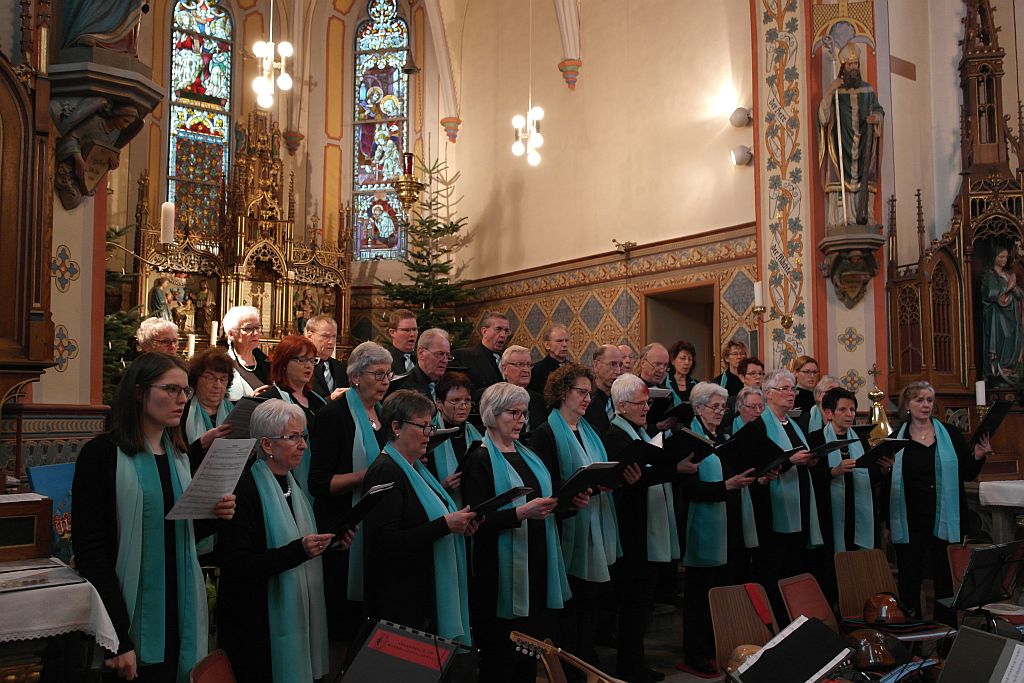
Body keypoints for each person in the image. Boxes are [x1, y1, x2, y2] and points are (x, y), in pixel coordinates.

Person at [73, 352, 236, 682]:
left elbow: (180, 531)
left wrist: (215, 515)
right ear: (138, 392)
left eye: (185, 391)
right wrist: (118, 638)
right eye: (171, 390)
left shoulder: (179, 456)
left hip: (179, 607)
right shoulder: (102, 455)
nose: (181, 400)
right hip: (127, 615)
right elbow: (91, 552)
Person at [217, 399, 348, 683]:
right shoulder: (243, 489)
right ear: (266, 444)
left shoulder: (290, 483)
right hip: (256, 624)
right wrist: (299, 551)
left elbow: (300, 542)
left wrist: (332, 542)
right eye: (293, 437)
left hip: (287, 614)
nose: (303, 445)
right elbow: (239, 565)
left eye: (303, 436)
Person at [460, 382, 576, 683]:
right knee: (500, 659)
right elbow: (476, 520)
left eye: (524, 413)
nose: (521, 420)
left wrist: (569, 502)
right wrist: (522, 513)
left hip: (536, 565)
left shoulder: (527, 453)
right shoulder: (479, 459)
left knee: (529, 654)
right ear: (492, 415)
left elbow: (544, 497)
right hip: (498, 572)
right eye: (513, 413)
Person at [601, 373, 698, 683]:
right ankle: (629, 667)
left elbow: (646, 470)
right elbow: (630, 479)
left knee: (641, 602)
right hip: (631, 531)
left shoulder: (638, 432)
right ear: (621, 405)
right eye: (639, 404)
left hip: (644, 526)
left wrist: (671, 466)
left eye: (647, 402)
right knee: (633, 603)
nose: (646, 409)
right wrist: (673, 468)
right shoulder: (615, 436)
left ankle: (635, 663)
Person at [361, 390, 476, 646]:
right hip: (400, 598)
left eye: (431, 426)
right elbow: (384, 542)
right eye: (423, 426)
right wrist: (445, 525)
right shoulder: (385, 471)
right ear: (396, 427)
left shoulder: (416, 466)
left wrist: (457, 524)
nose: (429, 434)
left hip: (421, 590)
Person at [528, 365, 618, 669]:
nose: (587, 399)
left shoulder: (588, 430)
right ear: (563, 393)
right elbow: (542, 483)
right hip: (567, 525)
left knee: (591, 597)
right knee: (572, 601)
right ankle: (569, 664)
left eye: (589, 393)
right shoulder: (545, 433)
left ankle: (586, 656)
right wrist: (569, 498)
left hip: (594, 520)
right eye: (581, 392)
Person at [307, 341, 391, 663]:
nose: (385, 380)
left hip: (376, 527)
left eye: (388, 374)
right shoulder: (333, 416)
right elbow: (319, 483)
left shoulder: (384, 414)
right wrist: (367, 475)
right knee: (344, 624)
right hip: (343, 530)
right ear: (355, 376)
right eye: (378, 374)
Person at [884, 381, 990, 625]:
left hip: (945, 517)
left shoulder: (950, 434)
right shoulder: (895, 438)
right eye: (919, 400)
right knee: (910, 578)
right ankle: (912, 635)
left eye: (929, 400)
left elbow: (966, 473)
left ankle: (946, 634)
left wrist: (977, 456)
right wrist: (885, 522)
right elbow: (888, 486)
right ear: (907, 405)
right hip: (910, 518)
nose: (925, 405)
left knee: (946, 579)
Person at [679, 382, 756, 678]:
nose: (720, 413)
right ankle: (695, 653)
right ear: (697, 409)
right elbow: (688, 487)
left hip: (729, 523)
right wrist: (726, 486)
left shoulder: (723, 438)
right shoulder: (688, 441)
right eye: (714, 407)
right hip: (702, 523)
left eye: (723, 408)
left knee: (723, 588)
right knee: (700, 593)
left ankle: (717, 645)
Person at [744, 369, 824, 624]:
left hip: (798, 504)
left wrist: (811, 460)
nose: (792, 394)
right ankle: (774, 621)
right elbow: (755, 469)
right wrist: (790, 461)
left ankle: (794, 619)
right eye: (786, 389)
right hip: (770, 509)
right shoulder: (758, 427)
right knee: (773, 567)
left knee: (794, 565)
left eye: (793, 389)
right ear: (768, 394)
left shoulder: (796, 425)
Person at [807, 388, 890, 603]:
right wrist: (833, 472)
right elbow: (808, 478)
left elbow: (872, 476)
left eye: (852, 409)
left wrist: (884, 470)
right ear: (828, 414)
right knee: (830, 569)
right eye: (842, 409)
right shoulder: (815, 440)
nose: (849, 414)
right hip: (829, 515)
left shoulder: (861, 441)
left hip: (858, 513)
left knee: (858, 567)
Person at [818, 42, 884, 227]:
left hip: (864, 144)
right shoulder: (836, 92)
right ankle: (842, 218)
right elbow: (823, 118)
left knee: (865, 176)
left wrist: (876, 118)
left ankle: (865, 214)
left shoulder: (868, 90)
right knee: (840, 179)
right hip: (841, 146)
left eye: (856, 65)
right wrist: (830, 90)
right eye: (850, 65)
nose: (854, 68)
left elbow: (879, 111)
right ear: (843, 67)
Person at [262, 335, 328, 495]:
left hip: (320, 478)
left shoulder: (317, 400)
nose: (309, 366)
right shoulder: (272, 399)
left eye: (312, 361)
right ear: (283, 363)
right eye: (301, 360)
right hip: (289, 481)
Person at [428, 371, 484, 506]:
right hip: (440, 507)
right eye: (456, 401)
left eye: (467, 400)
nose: (463, 406)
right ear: (439, 404)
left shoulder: (479, 433)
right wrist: (442, 487)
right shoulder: (428, 434)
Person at [182, 347, 235, 456]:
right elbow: (178, 458)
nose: (217, 385)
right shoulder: (182, 412)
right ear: (196, 380)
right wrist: (202, 443)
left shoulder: (235, 411)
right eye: (210, 378)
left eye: (223, 379)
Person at [982, 246, 1024, 377]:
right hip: (998, 317)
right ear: (994, 258)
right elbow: (990, 293)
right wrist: (1009, 287)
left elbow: (1020, 294)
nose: (1004, 260)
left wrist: (1014, 289)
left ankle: (1011, 369)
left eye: (1006, 257)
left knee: (1014, 339)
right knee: (1003, 338)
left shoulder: (1007, 275)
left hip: (1012, 314)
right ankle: (999, 369)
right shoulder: (990, 274)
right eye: (1001, 257)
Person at [455, 311, 511, 400]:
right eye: (498, 329)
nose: (503, 335)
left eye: (506, 331)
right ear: (484, 331)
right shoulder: (464, 356)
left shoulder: (507, 360)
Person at [386, 327, 451, 399]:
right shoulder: (402, 388)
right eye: (440, 354)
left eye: (447, 355)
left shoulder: (448, 386)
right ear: (421, 353)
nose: (445, 360)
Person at [222, 305, 270, 400]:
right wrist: (250, 400)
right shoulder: (223, 364)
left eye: (257, 327)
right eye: (248, 329)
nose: (255, 333)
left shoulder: (267, 362)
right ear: (231, 334)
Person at [499, 344, 548, 437]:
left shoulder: (539, 400)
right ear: (504, 369)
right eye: (520, 364)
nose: (526, 370)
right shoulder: (496, 398)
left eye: (529, 365)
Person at [305, 314, 348, 400]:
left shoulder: (340, 367)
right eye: (325, 336)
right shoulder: (303, 365)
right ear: (310, 336)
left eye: (334, 336)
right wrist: (330, 399)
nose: (331, 342)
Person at [636, 342, 676, 434]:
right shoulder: (632, 389)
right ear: (643, 363)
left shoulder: (667, 392)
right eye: (657, 364)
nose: (662, 370)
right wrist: (656, 427)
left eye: (665, 365)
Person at [584, 344, 624, 435]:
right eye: (612, 364)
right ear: (596, 365)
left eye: (620, 365)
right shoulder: (585, 399)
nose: (618, 371)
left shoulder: (621, 398)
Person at [528, 323, 571, 393]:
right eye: (559, 341)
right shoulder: (535, 370)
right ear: (547, 345)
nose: (564, 344)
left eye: (566, 341)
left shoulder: (575, 369)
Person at [385, 309, 419, 374]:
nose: (412, 334)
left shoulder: (421, 360)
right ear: (392, 332)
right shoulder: (384, 360)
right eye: (406, 330)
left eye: (414, 329)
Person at [667, 340, 699, 404]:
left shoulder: (697, 385)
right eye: (683, 358)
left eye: (690, 359)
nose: (687, 362)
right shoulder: (664, 383)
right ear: (672, 360)